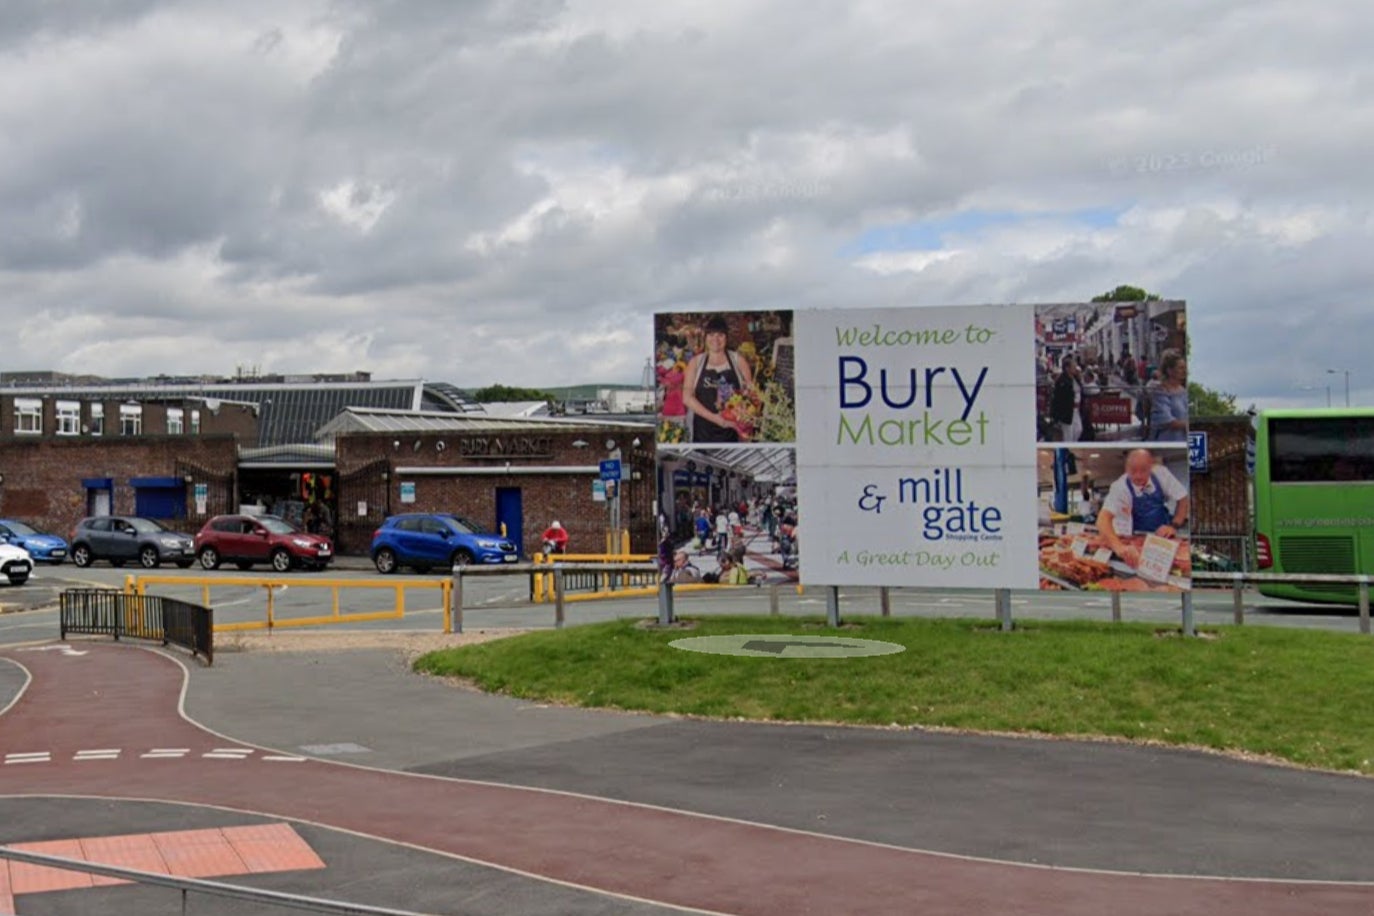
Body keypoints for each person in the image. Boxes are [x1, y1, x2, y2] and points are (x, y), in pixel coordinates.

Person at [1096, 448, 1190, 568]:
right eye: (1133, 471)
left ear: (1151, 467)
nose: (1138, 476)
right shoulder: (1119, 487)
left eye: (1143, 470)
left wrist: (1174, 525)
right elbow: (1102, 520)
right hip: (1136, 538)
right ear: (1126, 469)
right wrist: (1119, 547)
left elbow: (1183, 498)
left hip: (1163, 537)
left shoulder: (1161, 473)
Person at [681, 315, 756, 443]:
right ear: (705, 337)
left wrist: (743, 414)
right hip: (702, 433)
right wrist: (717, 419)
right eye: (711, 334)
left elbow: (751, 394)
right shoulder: (696, 363)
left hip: (733, 433)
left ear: (726, 337)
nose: (715, 339)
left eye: (720, 335)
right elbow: (687, 398)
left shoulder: (739, 361)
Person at [1149, 349, 1189, 442]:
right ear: (1170, 371)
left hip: (1184, 441)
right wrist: (1188, 425)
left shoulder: (1184, 391)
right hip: (1168, 441)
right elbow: (1166, 420)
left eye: (1185, 367)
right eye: (1181, 368)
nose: (1184, 371)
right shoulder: (1161, 392)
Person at [1050, 354, 1084, 442]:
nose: (1075, 368)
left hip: (1076, 410)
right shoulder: (1062, 381)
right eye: (1073, 367)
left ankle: (1073, 445)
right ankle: (1069, 449)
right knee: (1068, 433)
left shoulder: (1075, 378)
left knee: (1078, 429)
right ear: (1067, 368)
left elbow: (1080, 389)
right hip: (1067, 410)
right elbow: (1058, 398)